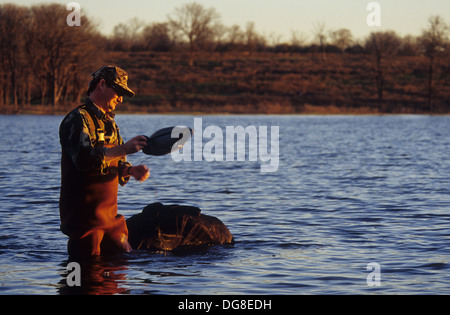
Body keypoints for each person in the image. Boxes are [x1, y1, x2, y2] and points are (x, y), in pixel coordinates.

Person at [59, 66, 150, 259]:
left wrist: (131, 171)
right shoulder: (77, 119)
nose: (121, 99)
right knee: (87, 279)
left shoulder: (111, 125)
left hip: (112, 222)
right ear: (101, 85)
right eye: (118, 92)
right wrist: (124, 148)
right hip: (85, 224)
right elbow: (84, 161)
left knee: (125, 267)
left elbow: (117, 166)